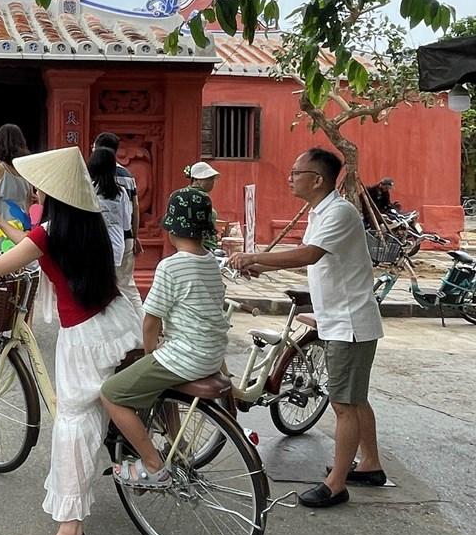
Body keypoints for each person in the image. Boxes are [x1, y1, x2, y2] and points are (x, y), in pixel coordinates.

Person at [0, 146, 141, 535]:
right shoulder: (84, 221)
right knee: (100, 406)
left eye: (38, 187)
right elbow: (32, 244)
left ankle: (70, 531)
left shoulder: (51, 232)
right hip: (115, 320)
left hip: (85, 337)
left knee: (74, 422)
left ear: (52, 191)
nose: (34, 191)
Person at [229, 147, 386, 508]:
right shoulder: (321, 211)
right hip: (338, 319)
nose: (290, 177)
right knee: (355, 398)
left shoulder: (340, 212)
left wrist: (254, 256)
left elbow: (308, 255)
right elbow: (312, 259)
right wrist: (263, 268)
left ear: (317, 179)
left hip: (349, 324)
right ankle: (371, 464)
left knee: (343, 403)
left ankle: (336, 484)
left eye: (295, 172)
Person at [99, 188, 230, 486]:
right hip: (213, 354)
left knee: (111, 394)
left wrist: (150, 356)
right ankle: (178, 446)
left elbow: (150, 323)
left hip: (185, 356)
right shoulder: (210, 261)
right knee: (157, 383)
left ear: (170, 228)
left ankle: (154, 465)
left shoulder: (171, 266)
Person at [92, 132, 144, 324]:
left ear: (97, 148)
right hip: (125, 237)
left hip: (99, 239)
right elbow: (134, 208)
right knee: (127, 286)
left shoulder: (89, 176)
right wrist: (134, 235)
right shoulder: (127, 176)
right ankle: (142, 327)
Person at [0, 123, 33, 257]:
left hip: (1, 218)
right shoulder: (26, 169)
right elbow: (29, 202)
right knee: (20, 259)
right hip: (22, 219)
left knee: (0, 258)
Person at [87, 145, 132, 269]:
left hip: (91, 245)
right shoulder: (121, 193)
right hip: (116, 246)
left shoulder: (87, 191)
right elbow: (127, 224)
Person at [183, 160, 221, 251]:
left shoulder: (187, 194)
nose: (212, 182)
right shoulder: (197, 197)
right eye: (209, 179)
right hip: (200, 246)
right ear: (197, 180)